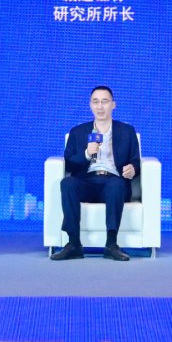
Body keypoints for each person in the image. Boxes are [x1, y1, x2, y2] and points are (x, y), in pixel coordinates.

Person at [55, 85, 140, 260]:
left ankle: (111, 244)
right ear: (90, 105)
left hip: (113, 182)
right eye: (95, 102)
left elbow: (135, 161)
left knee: (116, 184)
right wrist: (87, 153)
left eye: (104, 101)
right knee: (67, 183)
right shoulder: (77, 132)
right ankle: (73, 244)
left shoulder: (127, 131)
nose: (100, 106)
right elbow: (69, 164)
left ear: (113, 105)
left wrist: (133, 169)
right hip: (86, 181)